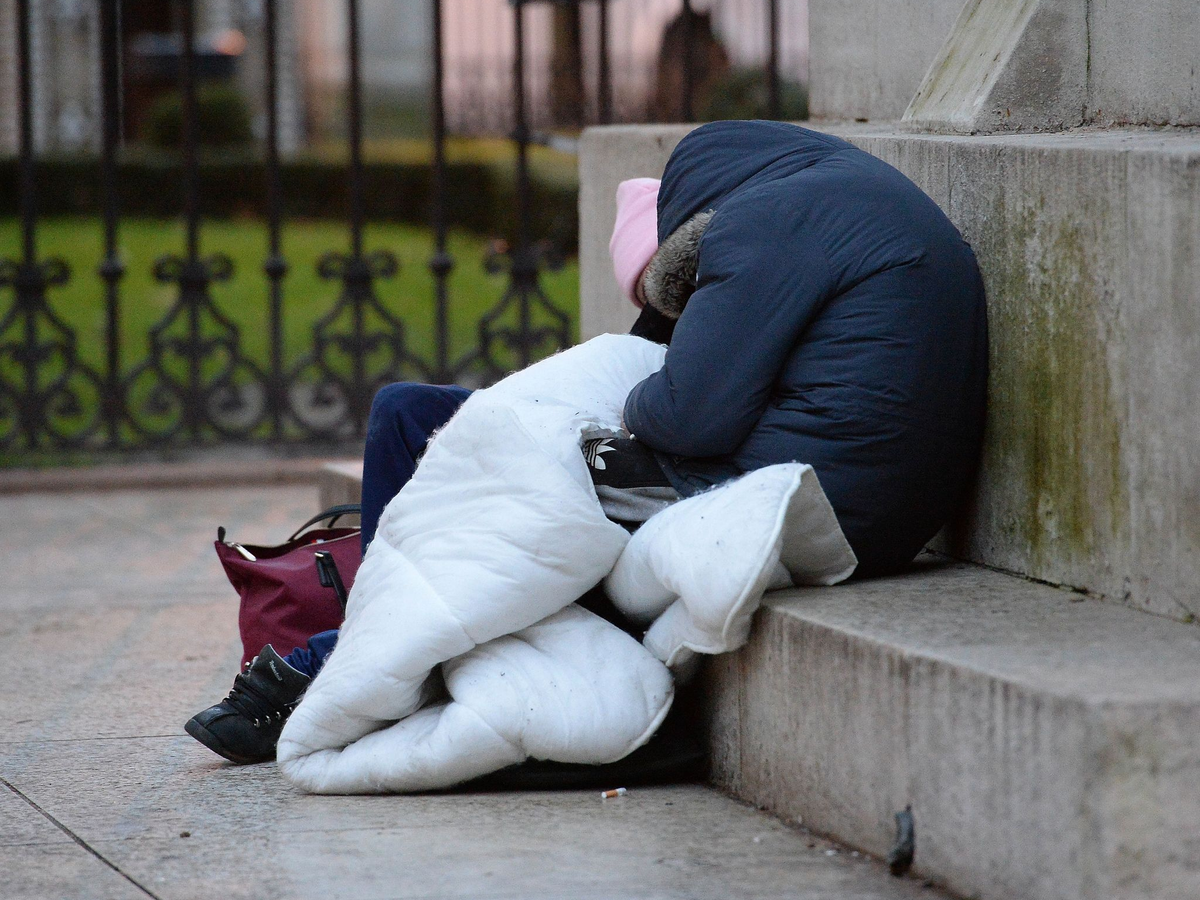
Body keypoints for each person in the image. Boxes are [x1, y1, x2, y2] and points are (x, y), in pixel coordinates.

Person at [186, 120, 987, 765]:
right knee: (410, 411)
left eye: (683, 295)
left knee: (515, 496)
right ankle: (376, 619)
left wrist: (624, 402)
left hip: (813, 494)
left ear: (687, 243)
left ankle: (332, 662)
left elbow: (687, 417)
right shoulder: (825, 203)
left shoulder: (769, 223)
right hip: (857, 492)